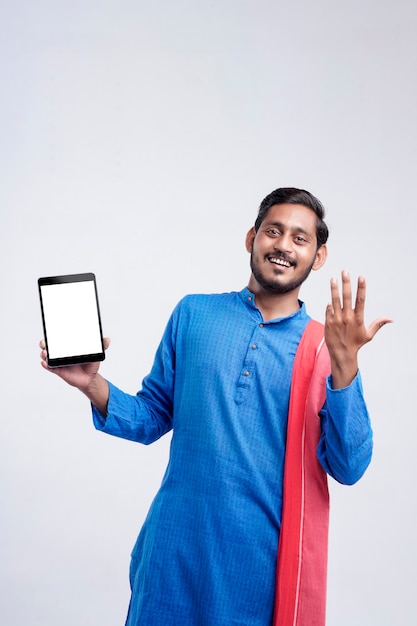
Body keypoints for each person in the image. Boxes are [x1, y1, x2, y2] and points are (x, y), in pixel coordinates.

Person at [40, 187, 392, 626]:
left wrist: (346, 365)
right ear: (251, 238)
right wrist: (91, 383)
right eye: (273, 231)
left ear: (318, 256)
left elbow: (349, 466)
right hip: (171, 552)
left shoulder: (324, 347)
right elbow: (150, 417)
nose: (283, 246)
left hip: (258, 570)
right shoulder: (194, 314)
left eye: (300, 239)